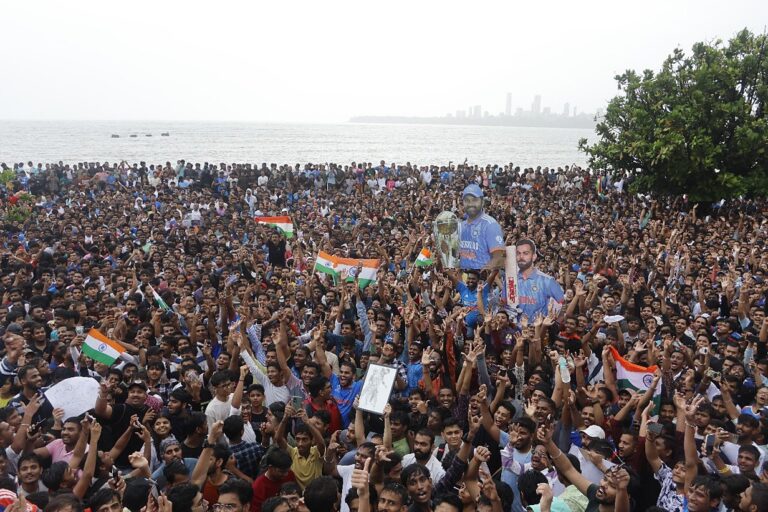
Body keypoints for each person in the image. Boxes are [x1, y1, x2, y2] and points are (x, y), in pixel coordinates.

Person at [458, 184, 505, 270]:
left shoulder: (490, 225)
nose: (470, 204)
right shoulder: (460, 226)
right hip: (463, 279)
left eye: (474, 200)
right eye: (467, 200)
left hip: (483, 280)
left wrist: (481, 276)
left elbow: (499, 258)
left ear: (482, 201)